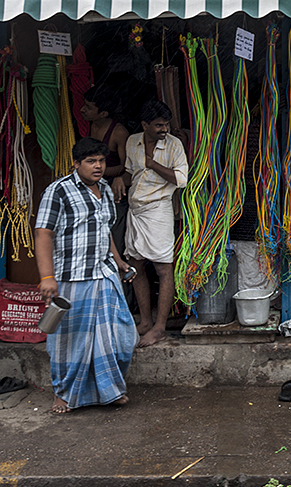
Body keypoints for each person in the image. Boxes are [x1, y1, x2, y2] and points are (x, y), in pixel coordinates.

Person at [35, 137, 138, 414]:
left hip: (103, 274)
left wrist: (119, 261)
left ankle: (110, 390)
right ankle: (64, 395)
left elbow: (104, 231)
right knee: (68, 341)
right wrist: (47, 278)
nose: (98, 166)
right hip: (71, 277)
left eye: (102, 161)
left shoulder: (104, 189)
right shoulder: (58, 191)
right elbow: (44, 233)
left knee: (118, 335)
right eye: (91, 161)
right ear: (76, 163)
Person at [121, 100, 188, 347]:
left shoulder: (174, 145)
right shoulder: (132, 141)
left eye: (166, 124)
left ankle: (160, 327)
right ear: (145, 125)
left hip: (159, 210)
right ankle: (146, 321)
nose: (164, 129)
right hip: (136, 209)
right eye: (159, 125)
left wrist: (153, 164)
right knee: (135, 265)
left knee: (163, 268)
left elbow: (181, 179)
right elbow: (131, 172)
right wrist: (120, 180)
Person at [81, 86, 131, 255]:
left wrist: (96, 172)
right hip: (91, 189)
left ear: (103, 114)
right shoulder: (87, 125)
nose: (83, 110)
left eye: (88, 107)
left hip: (113, 191)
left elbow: (125, 168)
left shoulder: (118, 133)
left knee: (113, 239)